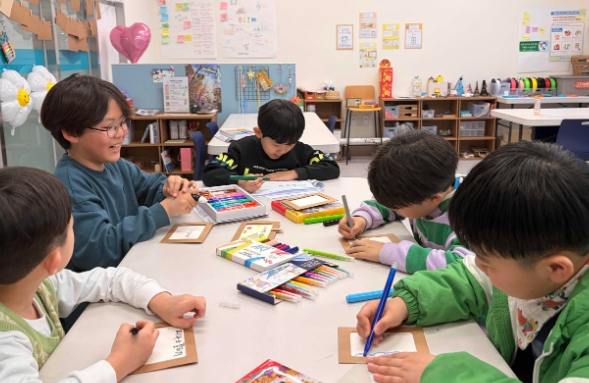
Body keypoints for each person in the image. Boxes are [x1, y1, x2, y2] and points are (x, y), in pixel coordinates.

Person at [357, 141, 589, 383]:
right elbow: (473, 279)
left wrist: (448, 375)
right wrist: (405, 303)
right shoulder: (540, 257)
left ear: (556, 268)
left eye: (487, 261)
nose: (477, 264)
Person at [0, 167, 206, 382]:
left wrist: (161, 300)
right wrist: (119, 363)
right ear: (54, 261)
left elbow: (110, 280)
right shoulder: (6, 344)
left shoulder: (42, 284)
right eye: (72, 227)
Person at [41, 75, 197, 272]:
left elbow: (148, 189)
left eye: (123, 122)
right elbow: (100, 250)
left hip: (131, 266)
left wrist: (169, 189)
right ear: (71, 133)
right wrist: (163, 211)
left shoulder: (114, 164)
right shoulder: (71, 187)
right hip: (103, 285)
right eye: (109, 127)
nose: (121, 132)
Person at [338, 131, 470, 273]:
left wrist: (390, 253)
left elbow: (464, 267)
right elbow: (393, 200)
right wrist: (363, 218)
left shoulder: (468, 218)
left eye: (397, 206)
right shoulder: (426, 189)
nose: (392, 207)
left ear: (434, 199)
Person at [203, 99, 339, 192]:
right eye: (276, 144)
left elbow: (332, 167)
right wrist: (240, 182)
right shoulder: (241, 150)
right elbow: (210, 173)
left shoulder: (300, 151)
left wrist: (293, 173)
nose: (283, 150)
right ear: (259, 132)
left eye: (290, 144)